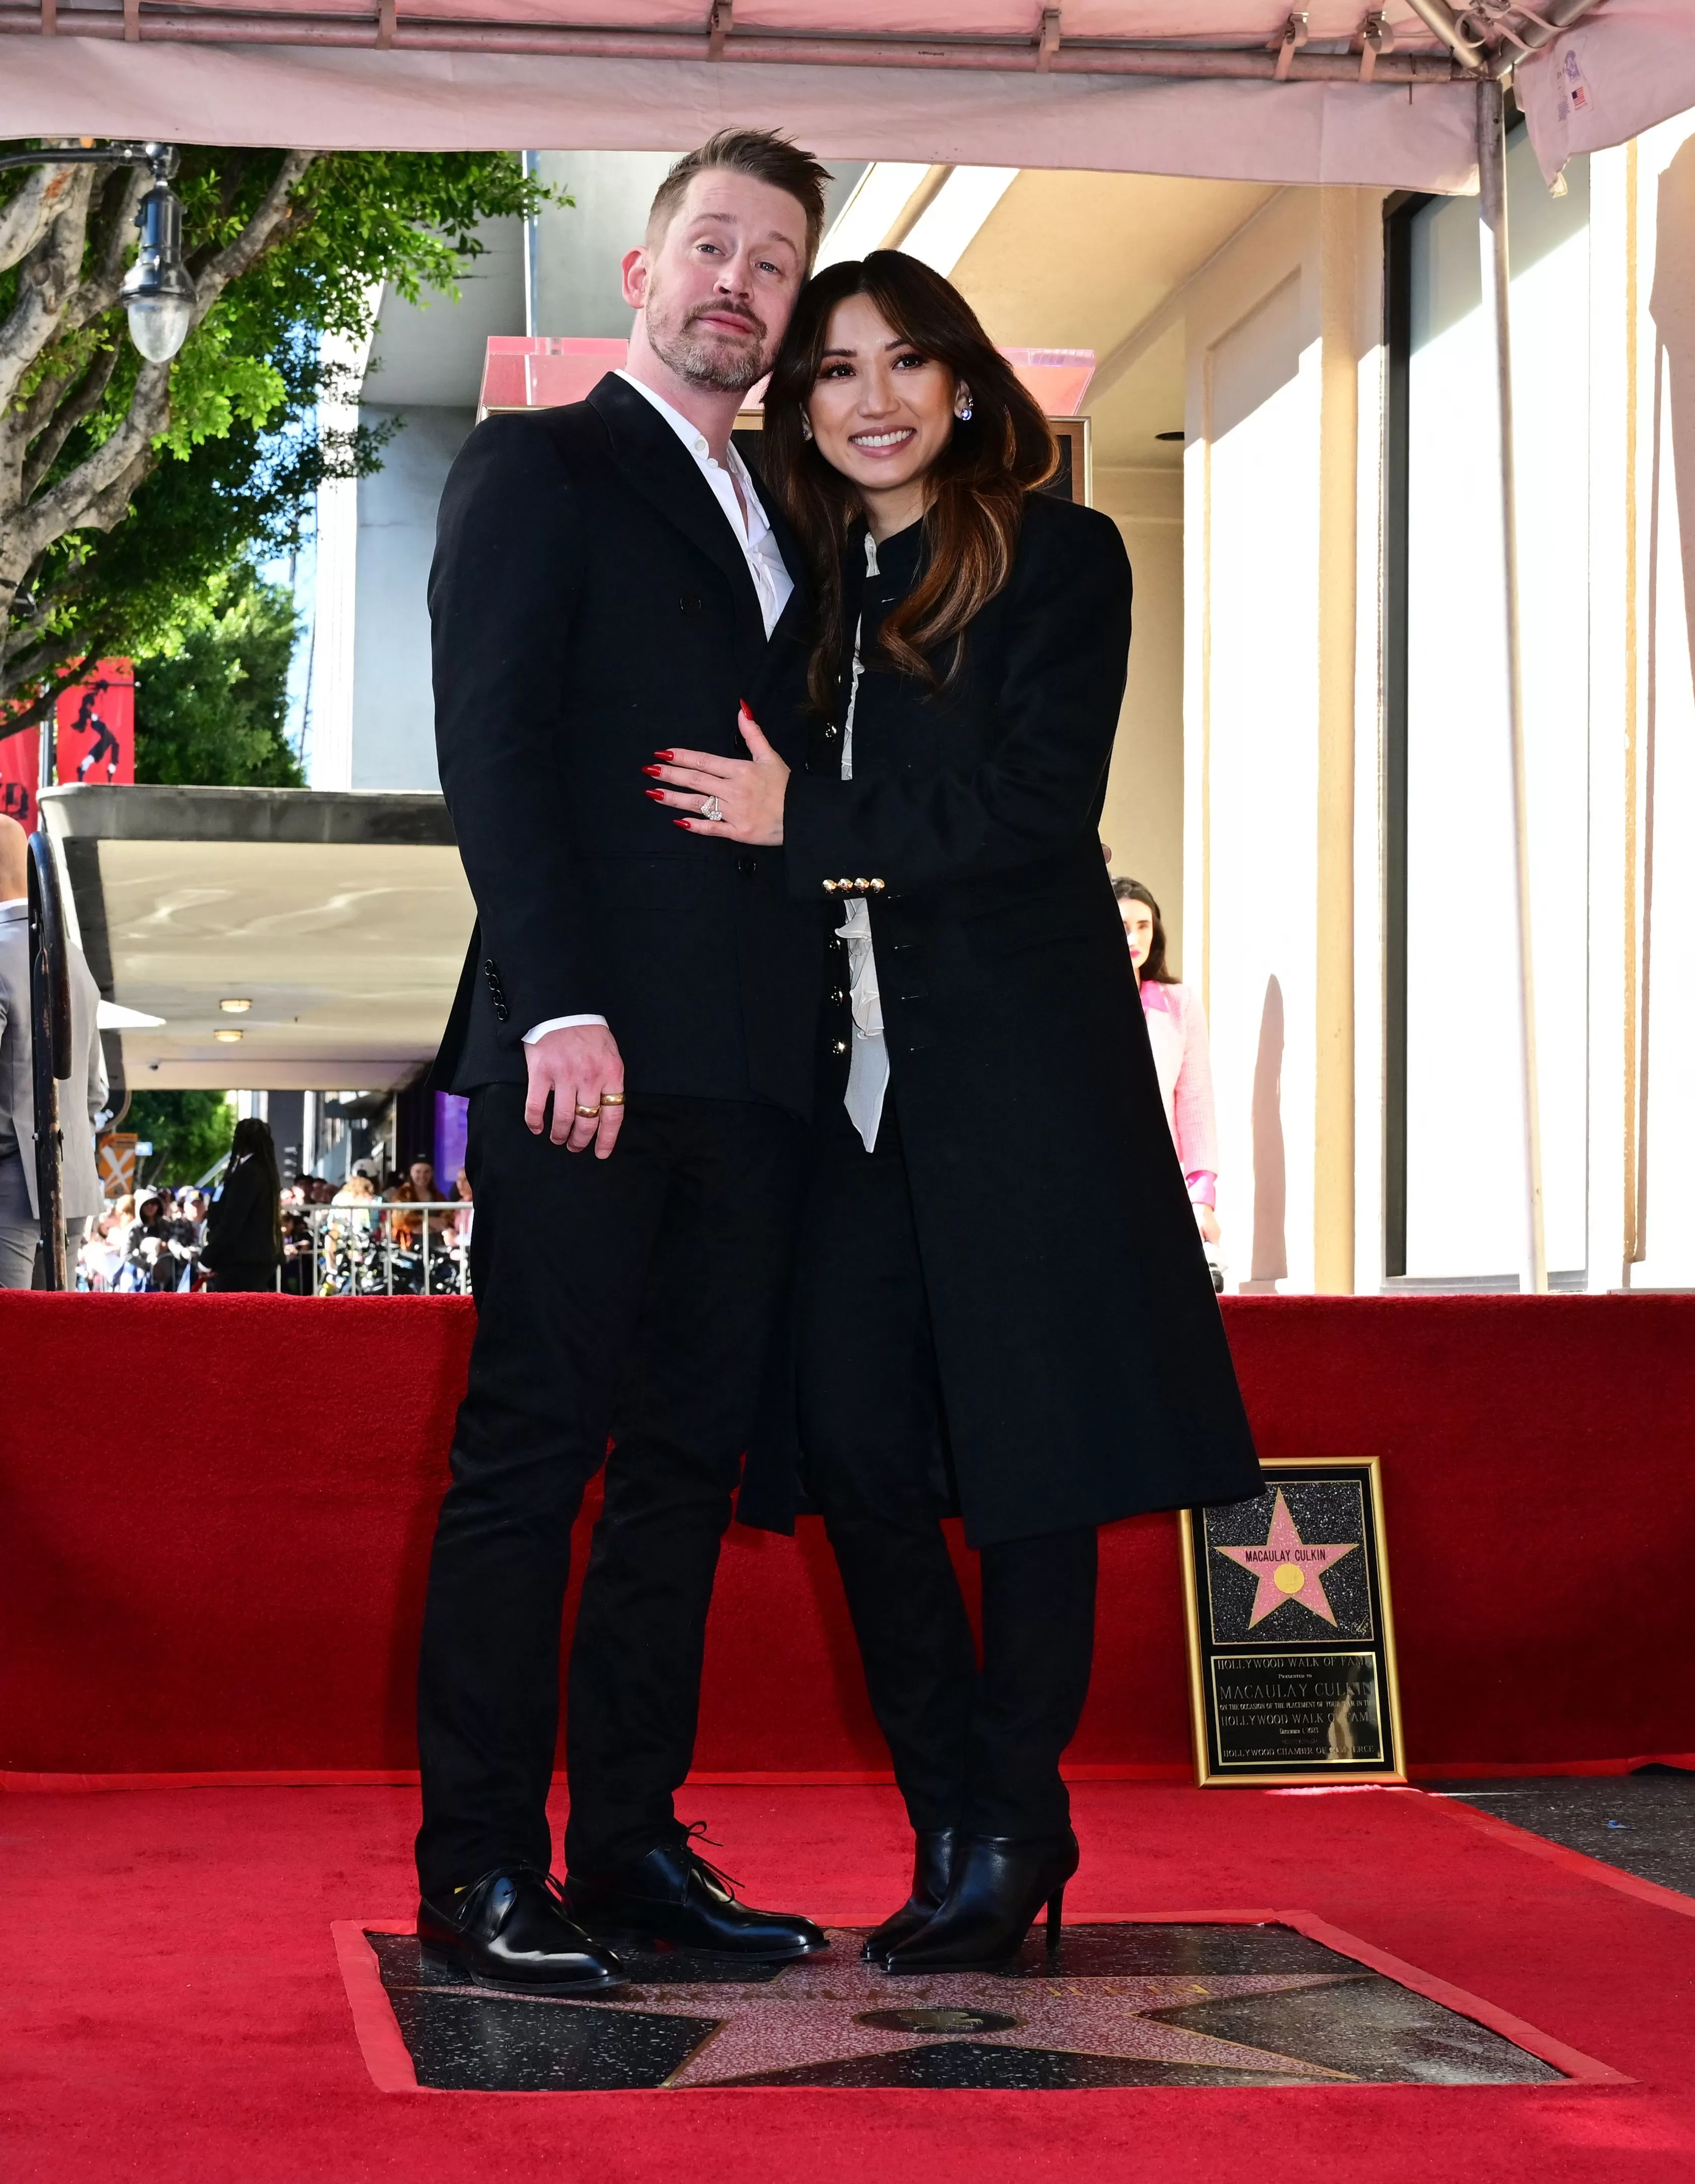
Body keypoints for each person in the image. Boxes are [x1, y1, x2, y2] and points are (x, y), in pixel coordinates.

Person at [647, 251, 1262, 1973]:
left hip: (1022, 1088)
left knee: (1032, 1465)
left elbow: (1030, 804)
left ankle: (1010, 1822)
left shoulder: (1060, 560)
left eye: (905, 361)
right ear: (801, 407)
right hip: (833, 1104)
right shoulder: (791, 591)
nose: (872, 397)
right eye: (834, 369)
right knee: (852, 1456)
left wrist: (809, 818)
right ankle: (955, 1809)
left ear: (967, 385)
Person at [415, 130, 834, 1996]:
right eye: (711, 244)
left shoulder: (796, 516)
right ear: (640, 275)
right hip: (587, 1048)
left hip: (754, 1071)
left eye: (774, 259)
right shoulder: (541, 462)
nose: (738, 279)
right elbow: (495, 748)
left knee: (680, 1466)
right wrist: (556, 998)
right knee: (532, 1453)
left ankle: (633, 1841)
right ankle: (480, 1865)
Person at [0, 813, 107, 1288]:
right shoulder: (71, 957)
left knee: (11, 1338)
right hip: (73, 1177)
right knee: (50, 1337)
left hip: (10, 1176)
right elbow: (94, 1093)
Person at [1113, 878, 1222, 1251]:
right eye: (1123, 926)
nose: (1134, 939)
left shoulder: (1180, 1004)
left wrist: (1202, 1196)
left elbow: (1195, 1103)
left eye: (1143, 926)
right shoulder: (1074, 1009)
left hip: (1162, 1182)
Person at [200, 1117, 282, 1293]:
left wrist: (208, 1258)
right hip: (255, 1259)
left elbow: (233, 1221)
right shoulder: (265, 1172)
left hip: (241, 1262)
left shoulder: (247, 1174)